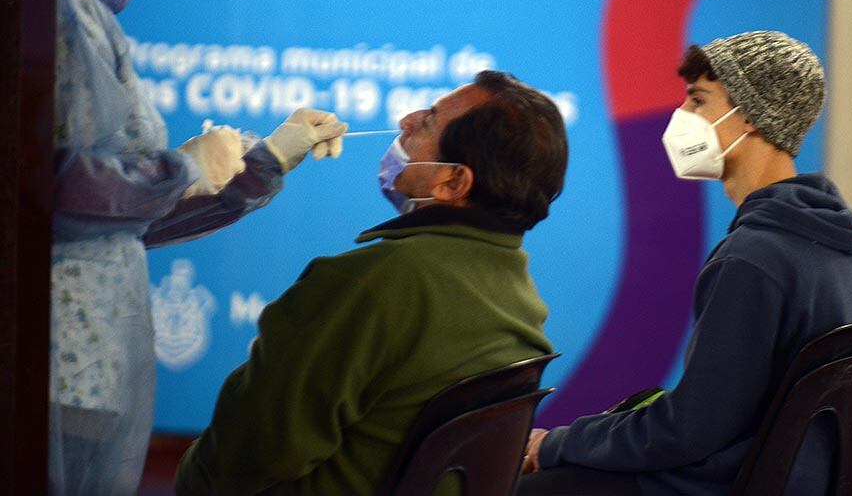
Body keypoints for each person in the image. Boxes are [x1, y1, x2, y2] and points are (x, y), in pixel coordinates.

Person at [51, 0, 348, 496]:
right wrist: (183, 165)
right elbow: (57, 194)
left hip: (85, 359)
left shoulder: (87, 27)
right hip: (56, 357)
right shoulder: (55, 19)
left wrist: (266, 160)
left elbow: (126, 220)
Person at [520, 31, 852, 496]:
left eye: (698, 100)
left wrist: (557, 443)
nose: (682, 117)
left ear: (753, 116)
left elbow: (688, 430)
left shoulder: (753, 258)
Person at [174, 70, 568, 496]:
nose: (405, 121)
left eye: (429, 120)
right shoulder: (520, 297)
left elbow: (236, 462)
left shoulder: (373, 282)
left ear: (453, 182)